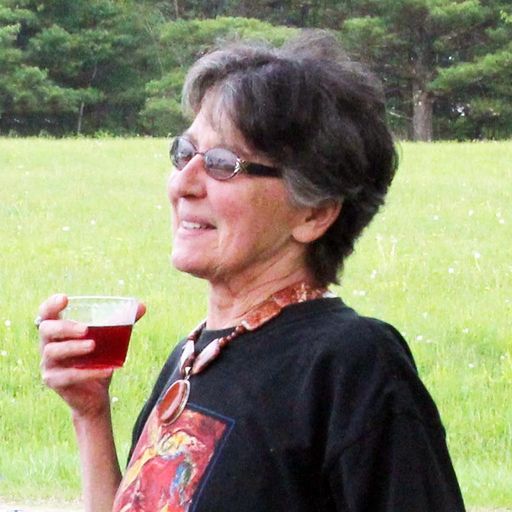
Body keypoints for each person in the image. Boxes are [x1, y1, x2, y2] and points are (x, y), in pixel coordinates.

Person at [37, 30, 466, 511]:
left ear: (314, 213)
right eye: (184, 153)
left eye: (223, 163)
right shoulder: (195, 356)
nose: (183, 183)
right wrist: (90, 415)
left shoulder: (352, 364)